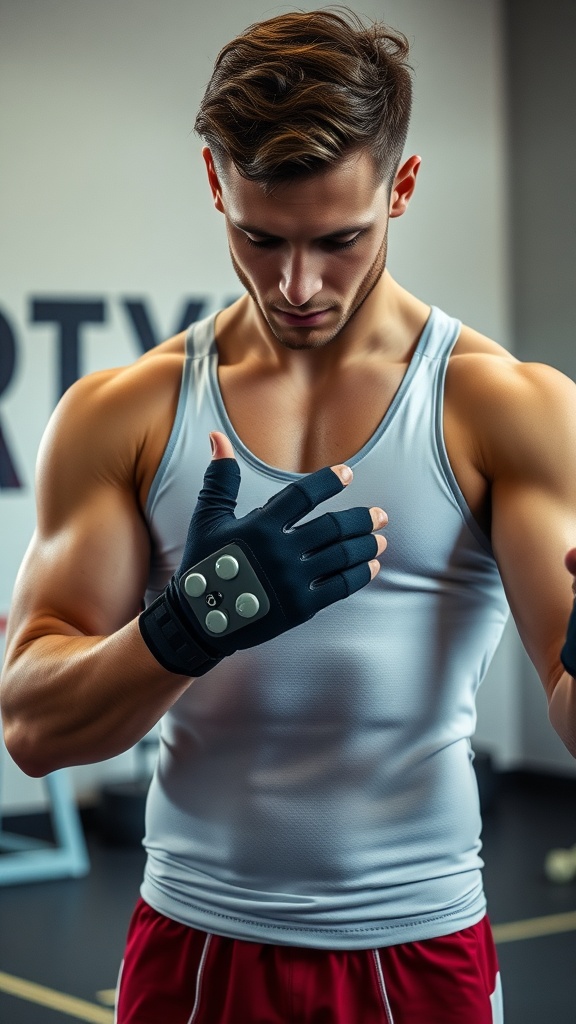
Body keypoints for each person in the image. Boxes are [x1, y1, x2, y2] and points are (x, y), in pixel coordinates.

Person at [2, 7, 576, 1022]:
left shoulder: (502, 405)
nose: (296, 284)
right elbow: (32, 726)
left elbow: (568, 709)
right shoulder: (124, 412)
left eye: (340, 240)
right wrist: (185, 628)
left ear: (401, 189)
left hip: (418, 941)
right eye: (259, 239)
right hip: (194, 940)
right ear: (216, 184)